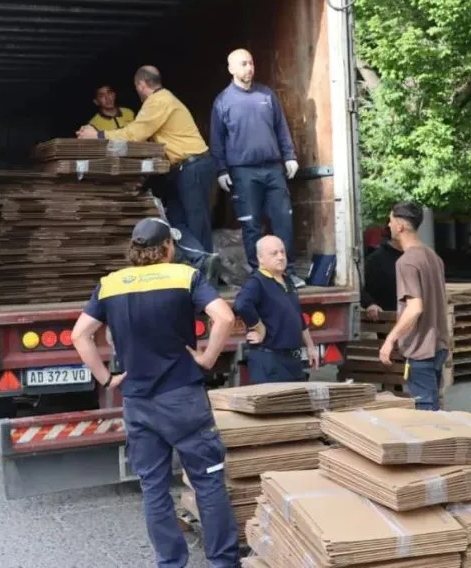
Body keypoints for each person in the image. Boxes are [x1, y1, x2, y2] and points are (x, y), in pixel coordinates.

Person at [69, 218, 239, 568]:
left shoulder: (110, 284)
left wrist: (105, 377)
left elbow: (79, 335)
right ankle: (223, 562)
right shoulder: (184, 276)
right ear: (167, 248)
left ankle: (171, 562)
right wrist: (207, 358)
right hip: (183, 398)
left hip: (138, 403)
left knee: (154, 488)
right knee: (208, 482)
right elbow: (223, 317)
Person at [77, 66, 217, 256]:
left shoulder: (158, 102)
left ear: (141, 85)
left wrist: (98, 135)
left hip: (192, 167)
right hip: (181, 169)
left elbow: (135, 134)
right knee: (175, 220)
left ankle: (205, 265)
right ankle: (198, 260)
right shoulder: (163, 99)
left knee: (196, 222)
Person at [209, 48, 304, 289]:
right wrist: (221, 170)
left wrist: (289, 156)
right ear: (231, 69)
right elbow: (217, 140)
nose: (249, 68)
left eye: (251, 63)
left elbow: (281, 127)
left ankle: (288, 273)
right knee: (251, 225)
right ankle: (258, 275)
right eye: (243, 64)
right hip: (243, 172)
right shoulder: (223, 101)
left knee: (283, 221)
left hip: (273, 169)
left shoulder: (266, 94)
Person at [378, 201, 449, 411]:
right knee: (433, 407)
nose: (389, 225)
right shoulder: (433, 256)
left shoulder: (406, 262)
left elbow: (415, 308)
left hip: (420, 351)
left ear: (400, 226)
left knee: (425, 412)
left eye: (390, 220)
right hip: (438, 347)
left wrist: (390, 340)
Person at [234, 235, 318, 383]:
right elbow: (241, 304)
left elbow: (298, 316)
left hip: (293, 361)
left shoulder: (287, 280)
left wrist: (310, 347)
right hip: (270, 362)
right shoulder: (256, 282)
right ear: (260, 258)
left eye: (282, 252)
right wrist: (259, 327)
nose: (280, 257)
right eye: (274, 253)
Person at [361, 226, 402, 320]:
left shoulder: (417, 257)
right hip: (386, 321)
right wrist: (370, 304)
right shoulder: (375, 259)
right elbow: (360, 289)